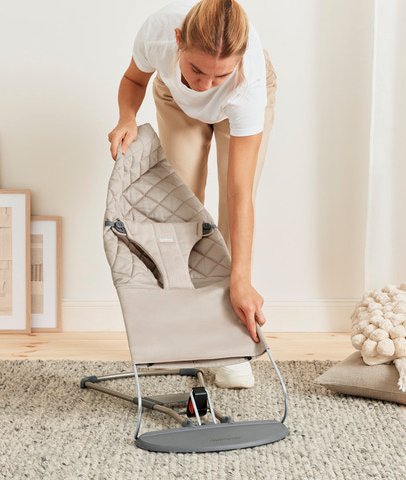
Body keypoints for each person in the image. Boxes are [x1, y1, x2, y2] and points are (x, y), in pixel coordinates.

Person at [108, 0, 276, 388]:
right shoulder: (157, 32)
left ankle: (229, 345)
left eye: (218, 75)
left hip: (237, 105)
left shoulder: (247, 83)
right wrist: (127, 117)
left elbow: (239, 194)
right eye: (196, 69)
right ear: (178, 40)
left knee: (231, 220)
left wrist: (241, 280)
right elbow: (134, 79)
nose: (204, 85)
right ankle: (182, 332)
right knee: (180, 208)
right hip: (176, 101)